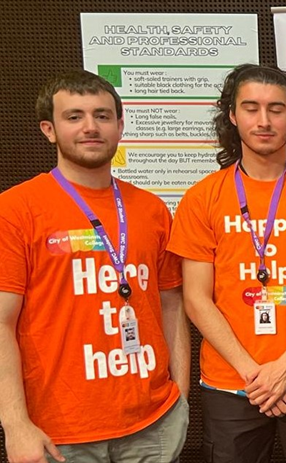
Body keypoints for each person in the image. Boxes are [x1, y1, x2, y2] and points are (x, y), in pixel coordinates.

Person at [0, 70, 189, 462]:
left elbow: (171, 303)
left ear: (120, 127)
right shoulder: (15, 210)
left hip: (153, 424)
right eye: (74, 117)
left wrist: (180, 398)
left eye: (102, 116)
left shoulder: (151, 209)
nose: (90, 127)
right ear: (49, 129)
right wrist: (15, 425)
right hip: (60, 432)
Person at [168, 64, 286, 462]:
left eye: (276, 109)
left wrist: (284, 368)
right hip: (233, 386)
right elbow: (196, 299)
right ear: (232, 116)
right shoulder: (202, 198)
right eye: (251, 108)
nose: (264, 121)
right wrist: (257, 375)